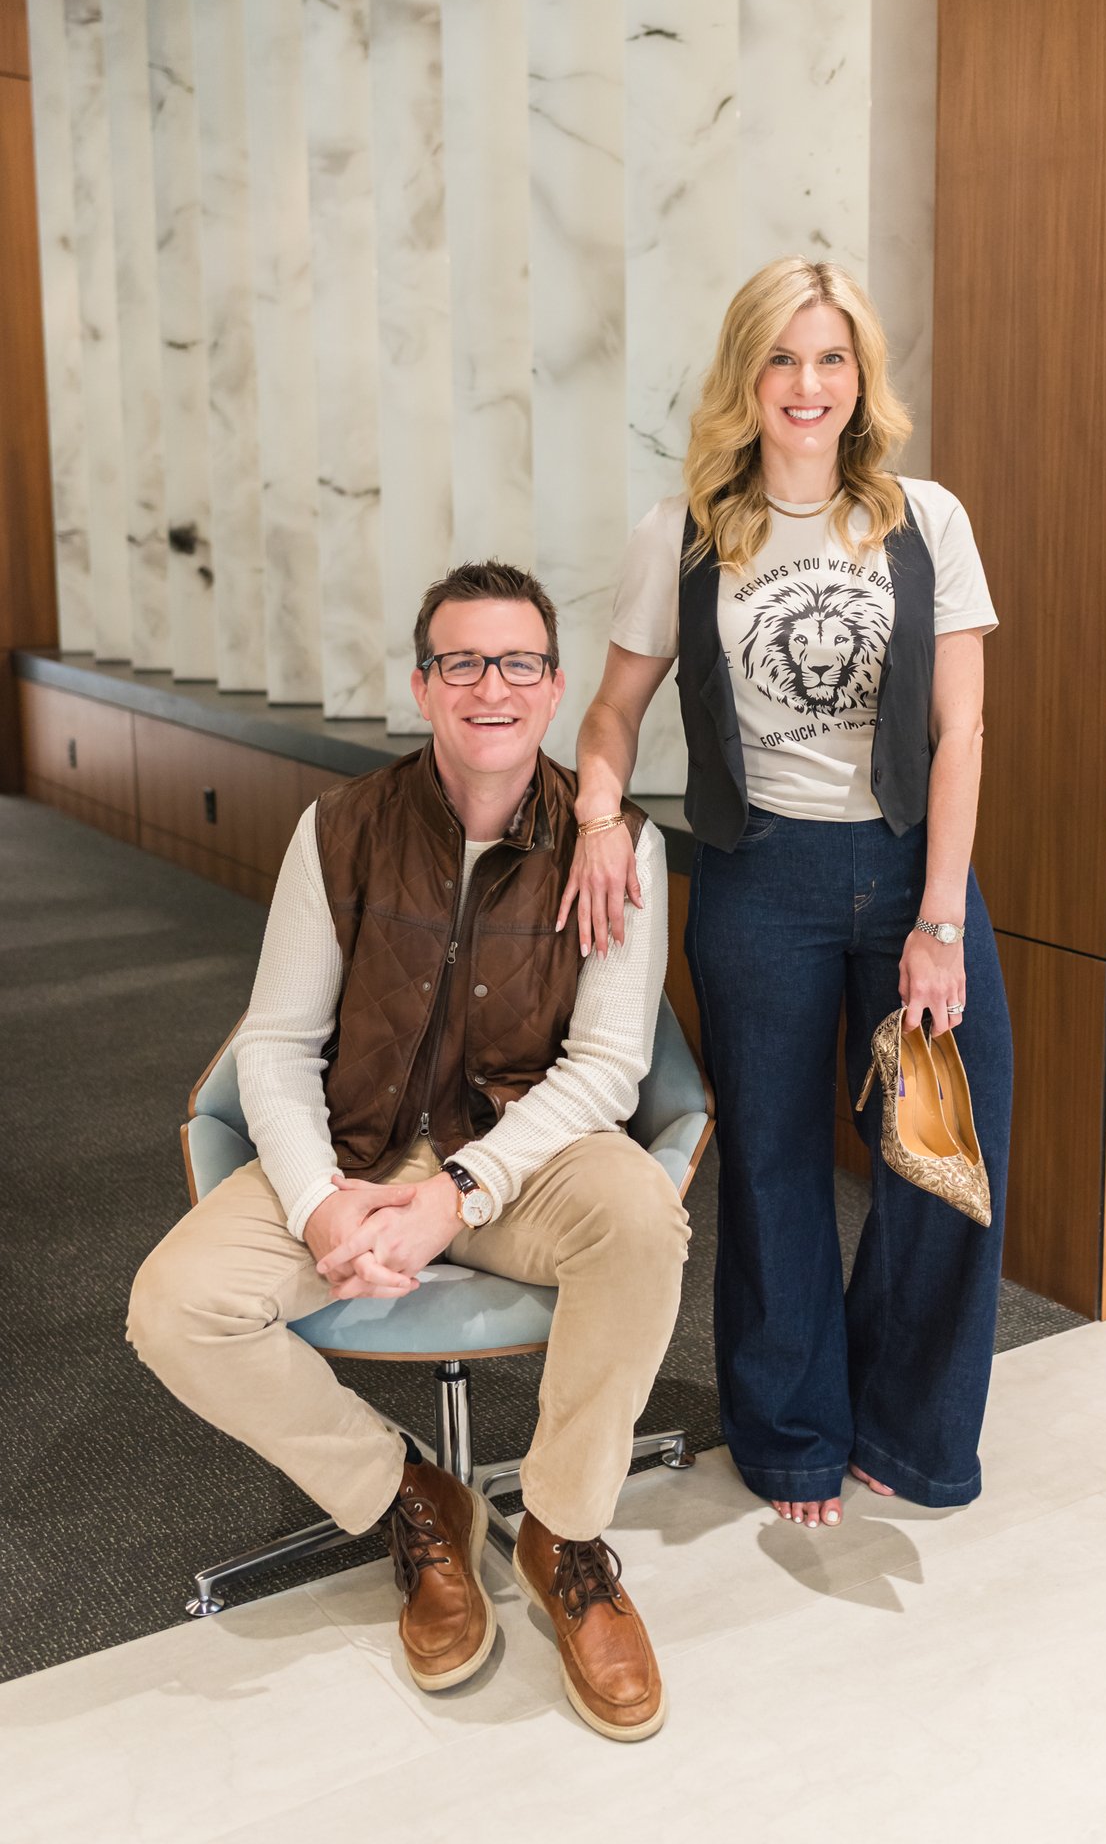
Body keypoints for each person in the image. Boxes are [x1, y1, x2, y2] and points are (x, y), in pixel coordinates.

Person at [128, 561, 687, 1743]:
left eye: (519, 662)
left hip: (519, 1159)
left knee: (641, 1214)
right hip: (357, 1145)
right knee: (172, 1306)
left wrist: (457, 1194)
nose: (494, 686)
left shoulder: (619, 846)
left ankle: (564, 1532)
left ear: (554, 684)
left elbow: (606, 1071)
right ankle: (405, 1495)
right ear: (425, 683)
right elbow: (275, 1046)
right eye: (464, 662)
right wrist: (324, 1202)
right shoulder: (338, 826)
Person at [562, 258, 1012, 1531]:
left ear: (859, 376)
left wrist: (937, 919)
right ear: (744, 379)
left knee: (941, 1154)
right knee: (767, 1165)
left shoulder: (927, 519)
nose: (805, 385)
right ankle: (793, 1430)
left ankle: (910, 1426)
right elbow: (609, 712)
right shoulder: (684, 530)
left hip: (911, 865)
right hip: (759, 873)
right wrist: (599, 813)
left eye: (829, 359)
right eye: (780, 359)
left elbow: (961, 735)